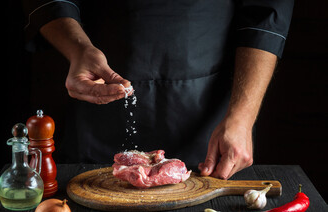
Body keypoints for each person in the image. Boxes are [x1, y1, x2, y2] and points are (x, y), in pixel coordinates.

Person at [21, 0, 294, 179]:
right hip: (97, 105)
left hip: (210, 117)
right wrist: (78, 49)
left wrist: (243, 117)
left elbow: (266, 13)